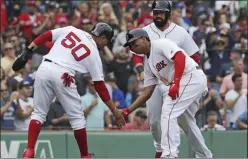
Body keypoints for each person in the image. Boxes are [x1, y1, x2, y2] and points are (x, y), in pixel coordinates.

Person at [12, 22, 125, 158]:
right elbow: (100, 86)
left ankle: (29, 150)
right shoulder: (94, 53)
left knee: (38, 114)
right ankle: (84, 155)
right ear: (102, 37)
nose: (105, 44)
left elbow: (47, 35)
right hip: (63, 74)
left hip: (44, 68)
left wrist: (28, 51)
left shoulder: (72, 30)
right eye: (107, 41)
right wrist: (114, 110)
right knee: (77, 118)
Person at [123, 1, 201, 158]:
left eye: (161, 12)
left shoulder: (180, 32)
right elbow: (137, 58)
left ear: (168, 13)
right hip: (154, 80)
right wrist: (140, 72)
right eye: (155, 12)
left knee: (175, 118)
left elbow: (194, 57)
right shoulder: (144, 31)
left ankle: (171, 153)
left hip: (174, 81)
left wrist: (189, 78)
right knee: (154, 121)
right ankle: (161, 148)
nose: (158, 15)